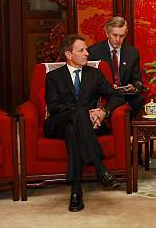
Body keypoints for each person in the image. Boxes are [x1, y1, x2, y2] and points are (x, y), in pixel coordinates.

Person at [44, 34, 125, 212]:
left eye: (85, 49)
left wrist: (104, 111)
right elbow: (54, 106)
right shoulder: (54, 77)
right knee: (79, 113)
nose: (87, 53)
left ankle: (76, 191)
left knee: (73, 131)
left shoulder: (94, 74)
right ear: (68, 54)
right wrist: (83, 113)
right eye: (81, 50)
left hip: (80, 127)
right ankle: (100, 168)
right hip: (58, 123)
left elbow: (116, 96)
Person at [88, 16, 144, 118]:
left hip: (125, 94)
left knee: (139, 99)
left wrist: (133, 87)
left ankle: (132, 132)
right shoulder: (93, 52)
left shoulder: (132, 52)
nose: (118, 40)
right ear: (107, 33)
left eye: (122, 36)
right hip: (103, 94)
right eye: (115, 35)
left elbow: (137, 80)